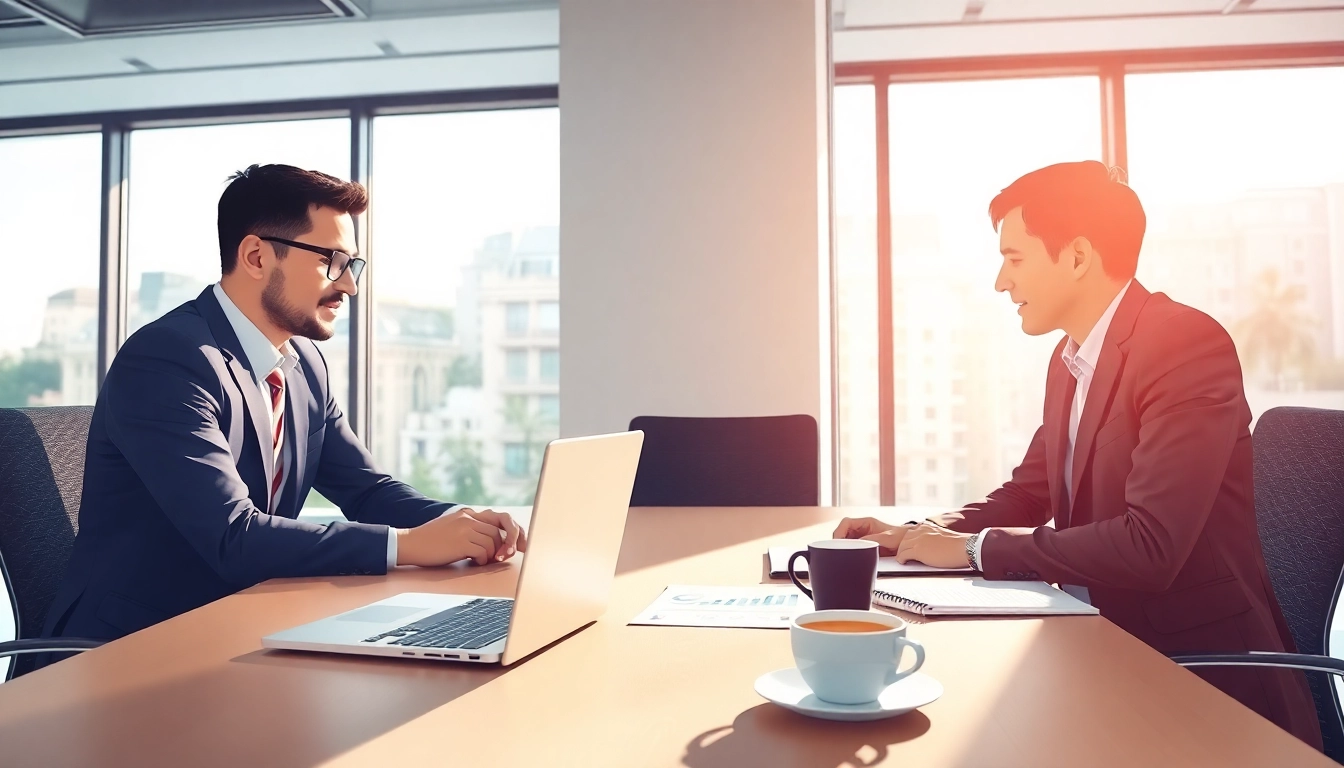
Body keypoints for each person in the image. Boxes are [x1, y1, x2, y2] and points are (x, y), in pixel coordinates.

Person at [835, 161, 1322, 749]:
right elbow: (1029, 492)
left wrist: (971, 550)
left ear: (1077, 257)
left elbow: (1152, 546)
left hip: (1201, 684)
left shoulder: (1184, 344)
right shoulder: (1070, 361)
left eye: (1014, 259)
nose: (1000, 282)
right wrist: (917, 532)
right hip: (1102, 648)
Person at [43, 164, 526, 646]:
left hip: (243, 624)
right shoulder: (168, 359)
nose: (349, 286)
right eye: (332, 261)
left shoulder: (304, 365)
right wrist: (408, 546)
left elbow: (368, 491)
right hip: (132, 645)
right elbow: (234, 535)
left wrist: (470, 525)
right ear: (256, 256)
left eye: (352, 265)